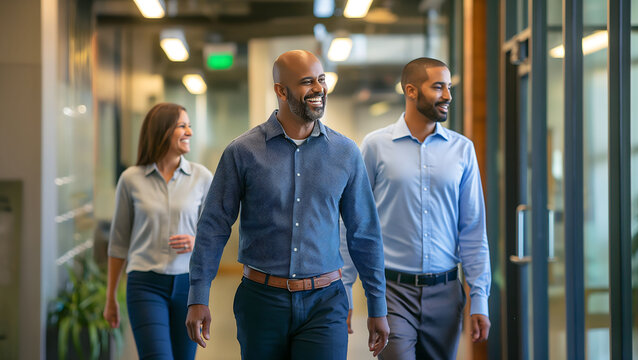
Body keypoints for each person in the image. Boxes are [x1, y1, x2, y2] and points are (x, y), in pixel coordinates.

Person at [185, 50, 389, 360]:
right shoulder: (243, 152)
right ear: (281, 90)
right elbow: (213, 225)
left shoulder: (345, 153)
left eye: (321, 80)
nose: (318, 88)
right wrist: (198, 295)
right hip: (261, 302)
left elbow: (364, 233)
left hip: (325, 302)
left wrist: (377, 305)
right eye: (307, 82)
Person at [341, 57, 491, 360]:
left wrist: (479, 298)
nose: (448, 95)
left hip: (446, 293)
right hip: (390, 293)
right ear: (410, 90)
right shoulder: (375, 146)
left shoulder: (462, 149)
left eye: (448, 86)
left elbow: (473, 229)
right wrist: (344, 290)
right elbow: (353, 223)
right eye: (438, 87)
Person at [103, 103, 213, 360]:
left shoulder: (202, 177)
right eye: (182, 125)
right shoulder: (131, 180)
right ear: (163, 131)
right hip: (145, 285)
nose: (190, 132)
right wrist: (111, 297)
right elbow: (118, 243)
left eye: (190, 125)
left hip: (188, 286)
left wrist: (196, 241)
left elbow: (214, 234)